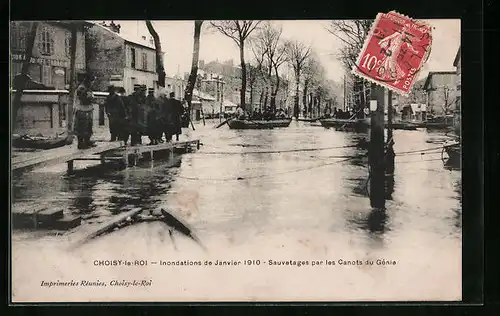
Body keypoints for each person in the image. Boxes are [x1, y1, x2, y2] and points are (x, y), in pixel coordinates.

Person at [74, 74, 96, 149]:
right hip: (82, 110)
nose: (93, 83)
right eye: (92, 81)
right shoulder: (82, 88)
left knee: (88, 127)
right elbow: (84, 99)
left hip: (88, 110)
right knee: (82, 127)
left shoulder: (87, 88)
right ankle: (81, 143)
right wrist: (90, 97)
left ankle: (87, 141)